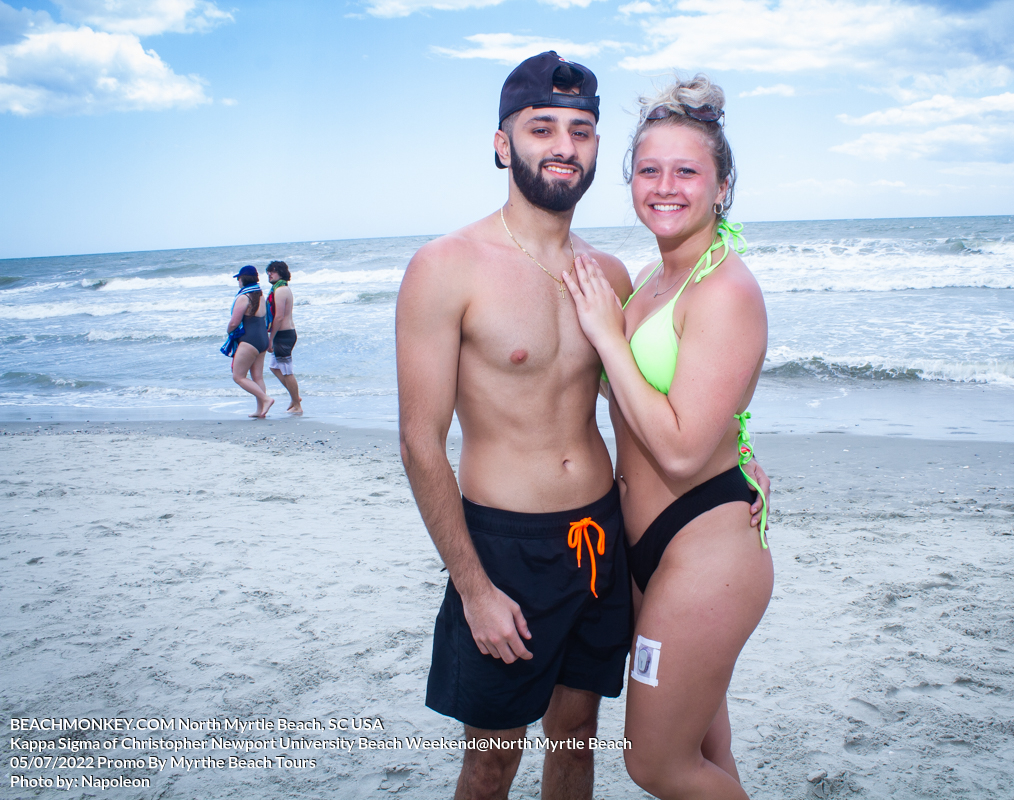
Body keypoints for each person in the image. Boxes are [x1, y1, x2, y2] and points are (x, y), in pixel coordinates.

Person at [395, 53, 768, 800]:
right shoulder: (446, 267)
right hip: (507, 547)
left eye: (582, 130)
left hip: (602, 546)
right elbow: (419, 441)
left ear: (598, 149)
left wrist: (740, 462)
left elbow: (657, 401)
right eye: (542, 128)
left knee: (577, 748)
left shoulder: (611, 278)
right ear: (504, 144)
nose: (563, 145)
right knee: (491, 762)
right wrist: (472, 587)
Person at [562, 75, 772, 800]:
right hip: (646, 548)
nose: (665, 186)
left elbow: (681, 448)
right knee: (707, 746)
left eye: (687, 171)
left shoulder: (725, 289)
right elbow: (700, 401)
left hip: (705, 552)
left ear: (722, 186)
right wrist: (745, 448)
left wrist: (604, 337)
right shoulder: (655, 276)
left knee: (655, 763)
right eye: (649, 169)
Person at [223, 265, 274, 419]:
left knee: (238, 376)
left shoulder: (243, 297)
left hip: (249, 340)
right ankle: (261, 410)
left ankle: (266, 399)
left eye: (239, 278)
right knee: (257, 377)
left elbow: (234, 322)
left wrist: (228, 331)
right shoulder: (260, 296)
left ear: (243, 278)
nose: (238, 281)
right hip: (262, 340)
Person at [265, 260, 302, 414]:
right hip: (284, 333)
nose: (269, 274)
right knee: (274, 367)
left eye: (272, 271)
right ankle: (295, 397)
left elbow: (279, 317)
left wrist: (270, 339)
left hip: (283, 334)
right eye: (268, 272)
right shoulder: (280, 288)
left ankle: (297, 405)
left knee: (287, 371)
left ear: (280, 272)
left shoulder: (280, 290)